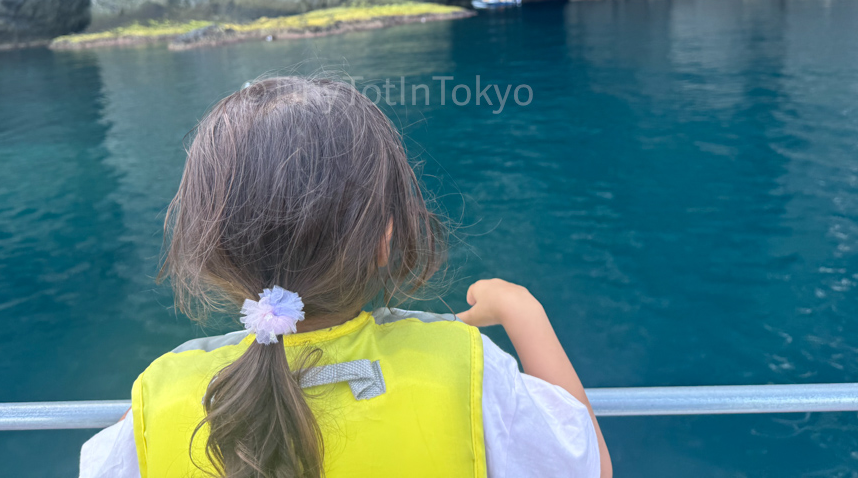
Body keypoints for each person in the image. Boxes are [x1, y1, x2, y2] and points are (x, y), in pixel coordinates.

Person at [80, 76, 612, 478]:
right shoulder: (464, 368)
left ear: (214, 251)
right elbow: (585, 463)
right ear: (385, 239)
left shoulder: (158, 395)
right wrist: (524, 313)